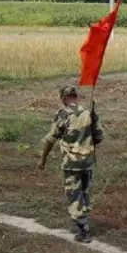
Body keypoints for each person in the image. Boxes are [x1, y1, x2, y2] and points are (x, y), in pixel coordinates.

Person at [38, 84, 103, 243]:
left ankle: (83, 229)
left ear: (64, 98)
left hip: (72, 163)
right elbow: (99, 137)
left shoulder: (63, 114)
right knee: (85, 193)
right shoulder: (88, 113)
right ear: (76, 97)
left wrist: (43, 159)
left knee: (74, 194)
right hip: (88, 162)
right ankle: (84, 220)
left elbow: (51, 139)